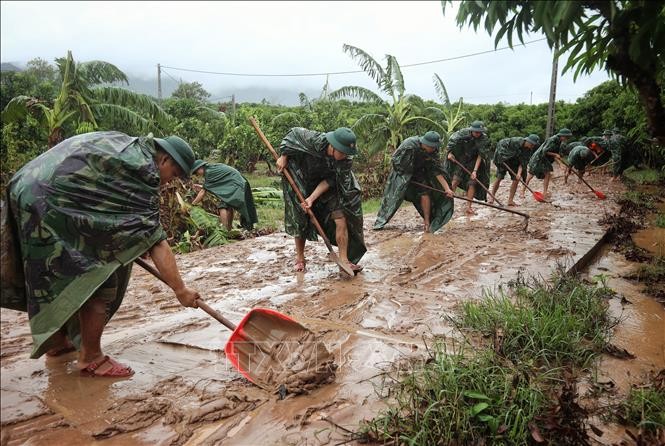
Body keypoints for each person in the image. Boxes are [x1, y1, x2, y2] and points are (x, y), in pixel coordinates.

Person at [1, 131, 200, 378]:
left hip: (30, 185)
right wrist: (180, 290)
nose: (170, 182)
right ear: (165, 161)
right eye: (175, 175)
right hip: (50, 198)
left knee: (60, 272)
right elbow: (156, 242)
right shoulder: (143, 172)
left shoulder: (132, 148)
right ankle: (91, 357)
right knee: (98, 274)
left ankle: (58, 343)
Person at [276, 127, 366, 274]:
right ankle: (300, 259)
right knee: (300, 217)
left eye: (347, 153)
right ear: (333, 146)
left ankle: (344, 260)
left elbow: (331, 180)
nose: (345, 156)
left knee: (341, 216)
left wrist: (312, 198)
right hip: (300, 178)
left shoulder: (345, 161)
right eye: (342, 152)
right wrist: (284, 155)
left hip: (327, 187)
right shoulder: (314, 140)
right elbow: (292, 135)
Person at [373, 131, 455, 233]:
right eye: (433, 147)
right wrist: (406, 177)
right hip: (401, 173)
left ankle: (427, 222)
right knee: (394, 197)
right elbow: (395, 161)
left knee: (425, 193)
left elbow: (437, 171)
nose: (434, 149)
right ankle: (381, 221)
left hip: (419, 173)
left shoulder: (433, 152)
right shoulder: (409, 145)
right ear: (426, 143)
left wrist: (447, 188)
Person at [190, 160, 258, 230]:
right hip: (238, 181)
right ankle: (229, 229)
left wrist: (192, 204)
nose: (196, 174)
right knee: (228, 205)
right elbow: (218, 183)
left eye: (196, 172)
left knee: (222, 206)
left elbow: (203, 192)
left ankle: (224, 230)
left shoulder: (209, 173)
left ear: (201, 167)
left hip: (236, 184)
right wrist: (202, 186)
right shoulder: (212, 167)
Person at [444, 120, 491, 215]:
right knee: (455, 180)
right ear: (471, 130)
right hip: (461, 158)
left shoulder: (484, 139)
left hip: (474, 161)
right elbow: (450, 144)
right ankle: (446, 205)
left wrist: (475, 171)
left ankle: (468, 207)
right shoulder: (462, 134)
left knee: (472, 183)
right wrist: (449, 153)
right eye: (476, 132)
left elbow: (480, 156)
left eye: (480, 132)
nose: (478, 134)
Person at [489, 134, 540, 206]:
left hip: (515, 163)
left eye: (533, 145)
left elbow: (523, 163)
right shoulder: (516, 141)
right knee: (499, 177)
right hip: (504, 160)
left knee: (516, 180)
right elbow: (501, 143)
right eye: (531, 144)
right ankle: (492, 197)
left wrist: (519, 174)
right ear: (527, 141)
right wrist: (501, 155)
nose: (532, 146)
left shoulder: (528, 151)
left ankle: (510, 201)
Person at [524, 128, 573, 197]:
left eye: (568, 138)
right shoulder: (552, 140)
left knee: (547, 174)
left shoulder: (559, 141)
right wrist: (555, 155)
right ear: (562, 136)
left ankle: (544, 192)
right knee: (531, 175)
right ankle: (522, 191)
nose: (566, 139)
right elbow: (545, 151)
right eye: (566, 137)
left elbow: (555, 154)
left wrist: (560, 164)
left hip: (545, 159)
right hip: (538, 158)